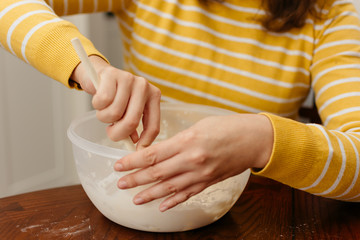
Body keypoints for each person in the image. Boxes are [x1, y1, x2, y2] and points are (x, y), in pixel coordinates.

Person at [1, 0, 360, 213]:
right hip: (143, 201)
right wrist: (88, 65)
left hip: (258, 211)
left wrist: (261, 140)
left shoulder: (330, 17)